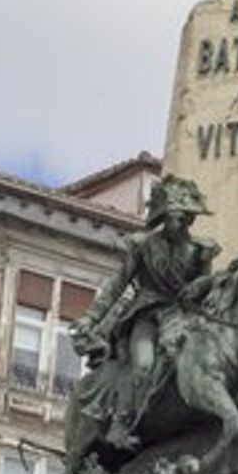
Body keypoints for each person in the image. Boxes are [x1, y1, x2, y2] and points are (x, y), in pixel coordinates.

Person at [73, 175, 221, 447]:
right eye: (174, 216)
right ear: (163, 216)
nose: (180, 222)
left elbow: (206, 287)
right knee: (142, 365)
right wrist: (92, 317)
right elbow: (118, 284)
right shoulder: (143, 246)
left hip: (184, 317)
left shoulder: (201, 250)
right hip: (147, 314)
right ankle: (120, 424)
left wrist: (201, 286)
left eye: (184, 217)